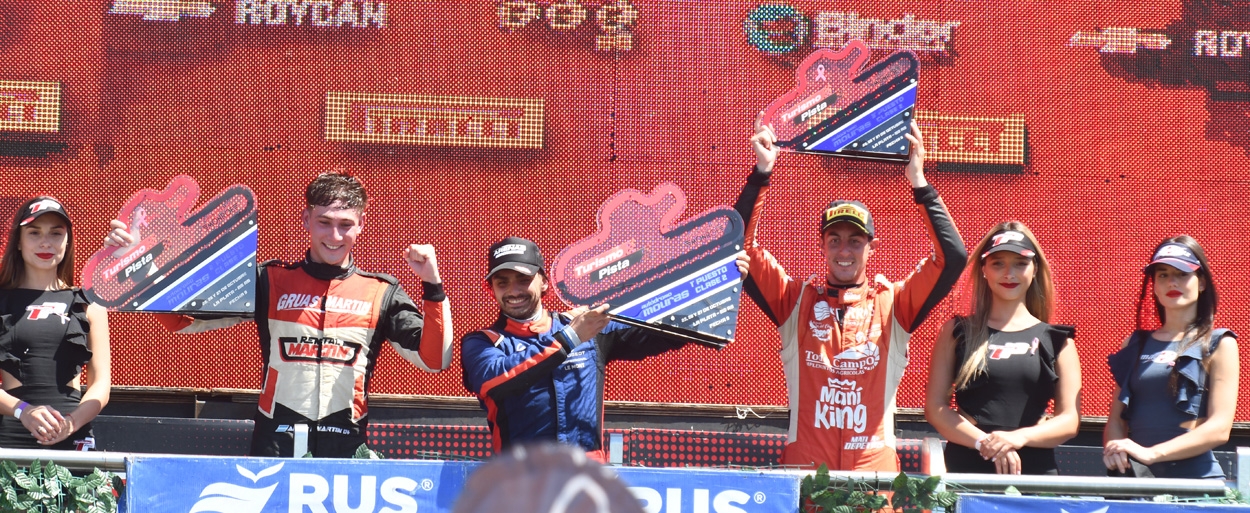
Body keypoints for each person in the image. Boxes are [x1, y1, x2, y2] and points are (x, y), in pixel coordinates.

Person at [104, 171, 453, 457]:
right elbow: (180, 320)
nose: (334, 235)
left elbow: (435, 359)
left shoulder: (381, 291)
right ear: (306, 220)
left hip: (347, 445)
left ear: (361, 224)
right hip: (276, 444)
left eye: (345, 224)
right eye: (324, 222)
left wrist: (433, 285)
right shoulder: (269, 280)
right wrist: (139, 262)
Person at [736, 116, 966, 471]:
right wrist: (761, 173)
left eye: (855, 241)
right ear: (822, 245)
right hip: (807, 476)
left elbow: (952, 258)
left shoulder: (894, 306)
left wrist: (919, 183)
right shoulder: (795, 302)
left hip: (875, 479)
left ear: (872, 247)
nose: (844, 250)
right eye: (835, 240)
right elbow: (741, 248)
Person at [460, 237, 746, 461]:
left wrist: (723, 282)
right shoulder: (482, 342)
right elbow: (493, 379)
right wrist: (570, 338)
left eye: (524, 280)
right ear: (491, 289)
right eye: (503, 283)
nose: (514, 291)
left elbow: (665, 329)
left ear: (544, 282)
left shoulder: (589, 327)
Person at [924, 223, 1080, 475]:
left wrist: (1017, 438)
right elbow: (935, 408)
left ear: (1035, 269)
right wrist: (984, 442)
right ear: (983, 269)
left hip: (1034, 474)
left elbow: (1070, 420)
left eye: (1020, 263)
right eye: (998, 263)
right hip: (967, 471)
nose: (1009, 273)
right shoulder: (957, 331)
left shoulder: (1057, 340)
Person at [1104, 236, 1238, 479]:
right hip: (1138, 484)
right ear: (1154, 285)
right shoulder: (1134, 344)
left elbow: (1220, 428)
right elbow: (1116, 420)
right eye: (1163, 275)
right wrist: (1114, 450)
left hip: (1197, 487)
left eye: (1182, 274)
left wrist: (1152, 453)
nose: (1171, 282)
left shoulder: (1220, 343)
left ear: (1202, 282)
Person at [0, 197, 111, 450]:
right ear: (18, 241)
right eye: (34, 233)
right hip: (10, 435)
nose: (46, 242)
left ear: (67, 241)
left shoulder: (90, 304)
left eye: (56, 233)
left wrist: (72, 423)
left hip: (73, 435)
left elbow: (101, 384)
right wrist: (22, 410)